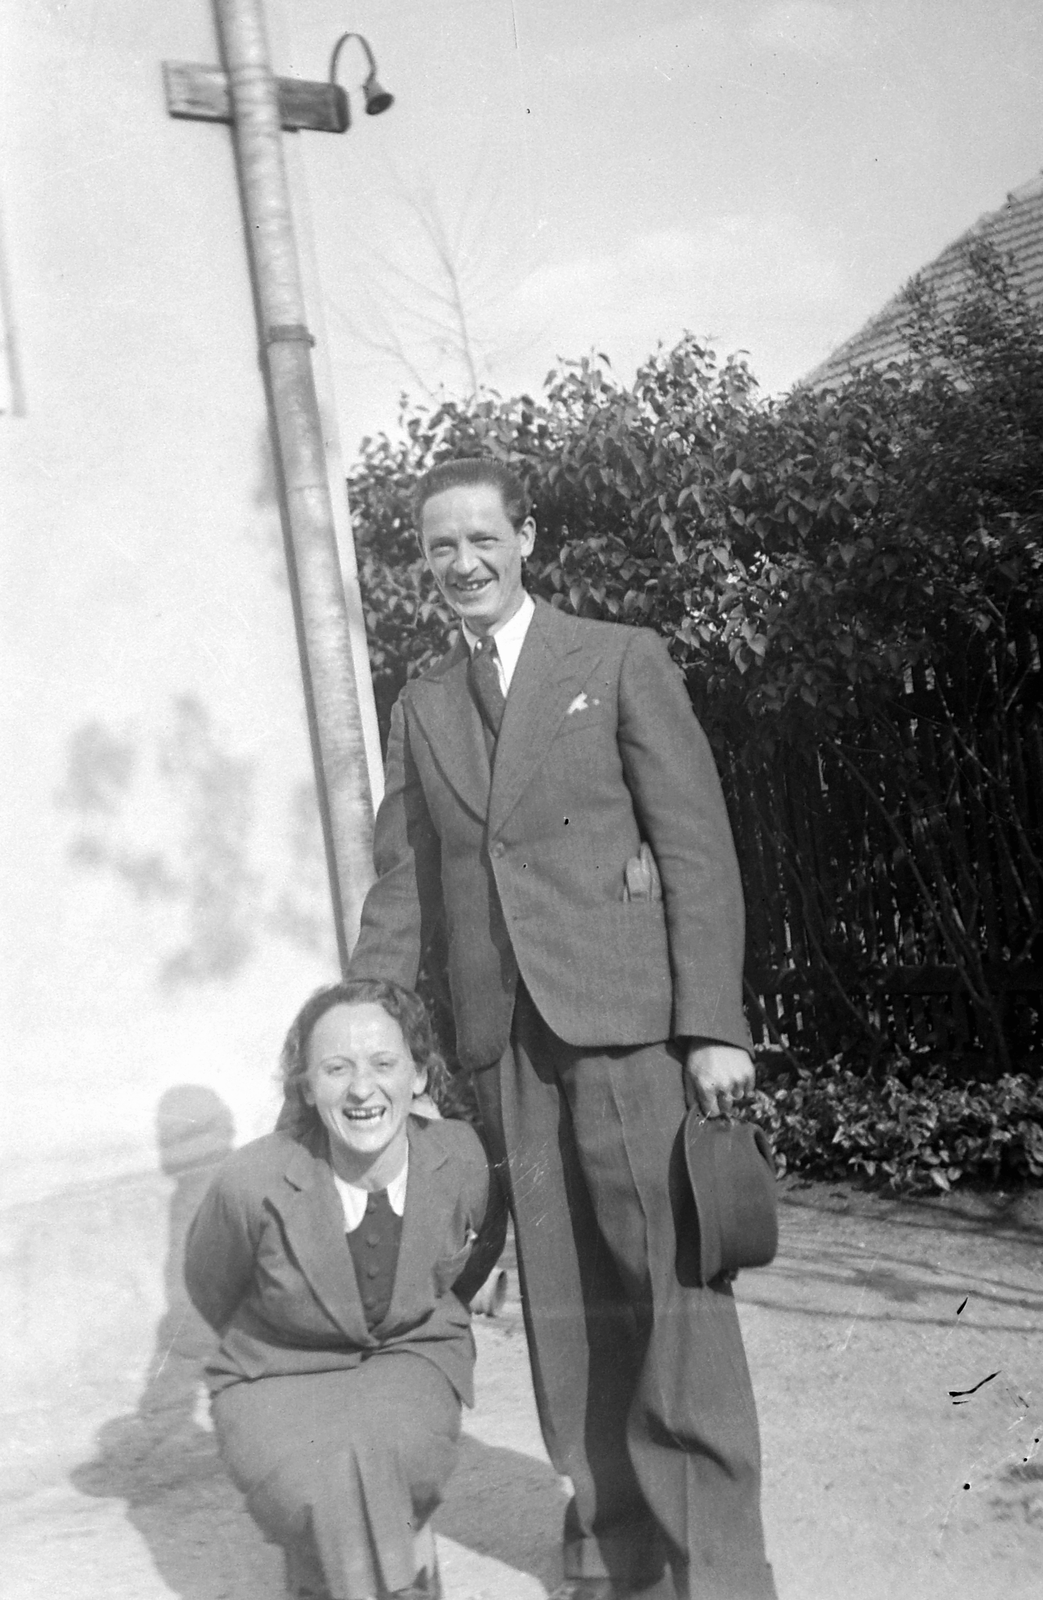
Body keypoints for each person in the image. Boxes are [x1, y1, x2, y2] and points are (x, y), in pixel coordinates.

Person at [347, 457, 776, 1600]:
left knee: (671, 1310)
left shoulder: (616, 658)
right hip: (509, 1053)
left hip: (632, 1034)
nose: (460, 564)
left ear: (525, 538)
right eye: (437, 547)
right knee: (568, 1318)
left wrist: (713, 1024)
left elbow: (694, 845)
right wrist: (366, 1042)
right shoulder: (421, 705)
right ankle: (615, 1554)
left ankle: (720, 1574)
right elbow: (406, 890)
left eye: (480, 539)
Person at [183, 978, 505, 1600]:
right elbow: (210, 1285)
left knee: (377, 1449)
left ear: (418, 1077)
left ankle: (387, 1581)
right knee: (320, 1470)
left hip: (409, 1355)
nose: (362, 1088)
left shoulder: (460, 1156)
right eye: (336, 1068)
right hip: (275, 1373)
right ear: (305, 1085)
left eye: (384, 1064)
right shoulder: (253, 1181)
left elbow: (479, 1242)